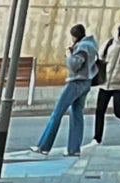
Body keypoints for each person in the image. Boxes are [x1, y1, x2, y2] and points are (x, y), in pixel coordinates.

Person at [33, 23, 99, 155]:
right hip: (86, 82)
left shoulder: (82, 47)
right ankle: (74, 149)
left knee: (57, 113)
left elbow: (75, 65)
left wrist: (69, 54)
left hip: (75, 83)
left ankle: (44, 146)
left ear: (74, 36)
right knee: (77, 115)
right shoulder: (92, 44)